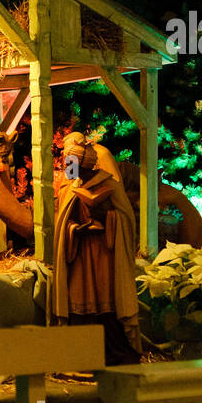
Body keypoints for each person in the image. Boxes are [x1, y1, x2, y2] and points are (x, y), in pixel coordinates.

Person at [52, 131, 141, 361]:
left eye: (73, 164)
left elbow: (126, 219)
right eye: (67, 163)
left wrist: (105, 216)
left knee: (105, 299)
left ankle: (113, 353)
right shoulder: (67, 186)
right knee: (78, 299)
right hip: (78, 252)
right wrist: (73, 229)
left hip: (104, 253)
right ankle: (79, 356)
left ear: (85, 163)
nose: (69, 169)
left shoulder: (108, 182)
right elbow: (62, 223)